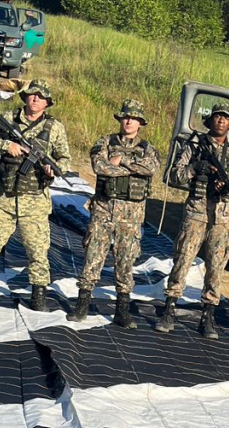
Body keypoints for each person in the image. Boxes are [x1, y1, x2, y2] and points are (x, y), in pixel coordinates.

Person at [0, 79, 70, 311]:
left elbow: (65, 159)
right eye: (31, 95)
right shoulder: (8, 119)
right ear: (25, 97)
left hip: (34, 201)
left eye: (40, 97)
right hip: (5, 196)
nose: (35, 99)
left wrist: (53, 169)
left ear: (47, 103)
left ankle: (39, 294)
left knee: (37, 250)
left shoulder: (54, 128)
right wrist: (7, 146)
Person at [159, 101, 229, 338]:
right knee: (182, 260)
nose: (221, 121)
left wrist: (228, 188)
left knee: (215, 268)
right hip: (196, 214)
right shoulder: (195, 145)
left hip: (221, 218)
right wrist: (194, 168)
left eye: (226, 118)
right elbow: (173, 175)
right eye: (217, 116)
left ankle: (208, 316)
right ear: (210, 121)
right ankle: (169, 310)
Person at [66, 99, 161, 327]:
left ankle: (122, 310)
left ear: (140, 123)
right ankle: (82, 305)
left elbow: (152, 168)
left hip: (131, 215)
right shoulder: (105, 142)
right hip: (103, 210)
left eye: (134, 118)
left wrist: (123, 161)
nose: (128, 121)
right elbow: (100, 166)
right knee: (93, 256)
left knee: (126, 260)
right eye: (125, 117)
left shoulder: (148, 149)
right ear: (120, 119)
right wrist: (128, 167)